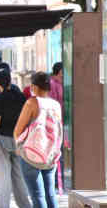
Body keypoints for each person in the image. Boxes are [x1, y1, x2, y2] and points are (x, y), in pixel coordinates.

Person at [14, 72, 62, 208]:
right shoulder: (55, 105)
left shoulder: (32, 102)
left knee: (37, 196)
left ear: (34, 87)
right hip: (50, 154)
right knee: (50, 194)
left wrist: (18, 147)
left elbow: (18, 129)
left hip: (31, 154)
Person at [0, 69, 31, 208]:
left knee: (3, 174)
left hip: (1, 138)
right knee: (18, 175)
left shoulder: (0, 99)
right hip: (19, 139)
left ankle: (3, 205)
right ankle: (25, 204)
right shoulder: (20, 97)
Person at [49, 62, 65, 193]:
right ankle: (56, 181)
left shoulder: (61, 84)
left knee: (60, 152)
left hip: (62, 122)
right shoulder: (53, 84)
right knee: (56, 152)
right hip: (55, 123)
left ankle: (58, 180)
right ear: (60, 71)